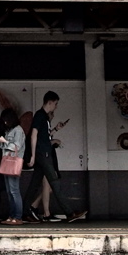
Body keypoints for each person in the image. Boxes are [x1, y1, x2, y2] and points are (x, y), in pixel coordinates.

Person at [23, 91, 86, 223]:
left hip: (42, 154)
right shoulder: (40, 115)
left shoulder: (44, 117)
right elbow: (33, 135)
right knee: (55, 182)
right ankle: (69, 212)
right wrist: (33, 155)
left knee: (34, 185)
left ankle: (24, 211)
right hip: (43, 154)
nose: (56, 107)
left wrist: (56, 129)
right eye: (55, 104)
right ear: (50, 102)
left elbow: (43, 136)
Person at [0, 108, 26, 225]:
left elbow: (17, 146)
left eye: (6, 120)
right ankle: (11, 216)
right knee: (9, 191)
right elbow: (5, 147)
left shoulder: (18, 130)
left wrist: (4, 141)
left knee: (14, 191)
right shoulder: (9, 130)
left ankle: (18, 217)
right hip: (7, 161)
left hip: (14, 162)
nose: (4, 122)